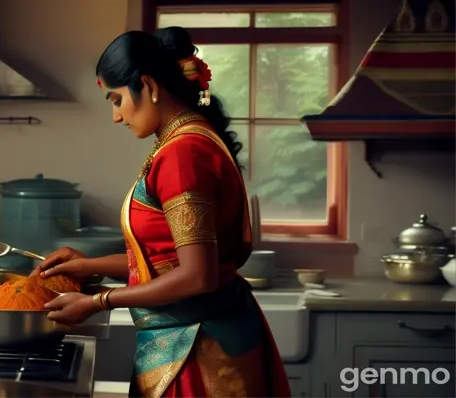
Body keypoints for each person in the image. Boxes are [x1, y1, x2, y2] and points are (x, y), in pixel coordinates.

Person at [32, 27, 291, 398]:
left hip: (198, 352)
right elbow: (166, 259)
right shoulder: (188, 140)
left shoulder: (183, 154)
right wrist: (88, 266)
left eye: (116, 99)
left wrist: (96, 302)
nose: (116, 117)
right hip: (200, 339)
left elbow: (196, 276)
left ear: (149, 86)